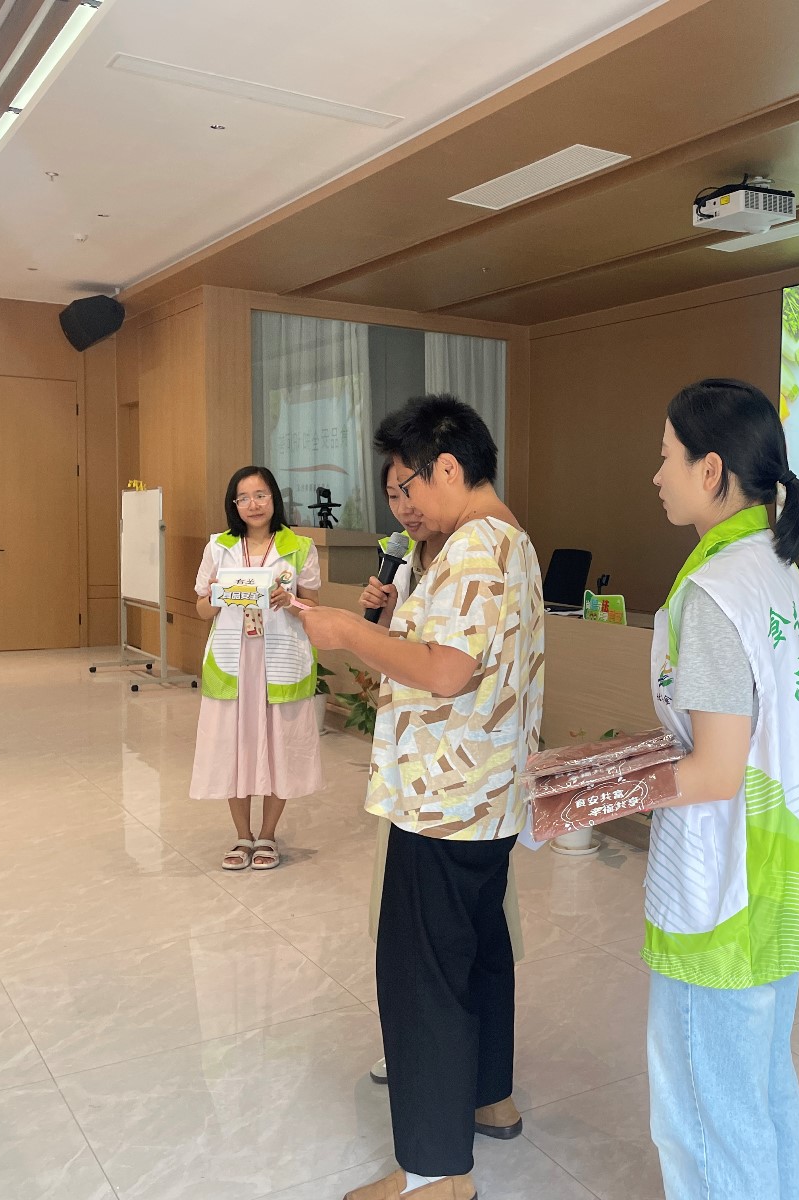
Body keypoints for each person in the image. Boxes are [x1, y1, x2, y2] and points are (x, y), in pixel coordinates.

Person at [299, 395, 543, 1200]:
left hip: (444, 799)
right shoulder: (510, 539)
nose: (405, 505)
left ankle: (435, 1172)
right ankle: (489, 1096)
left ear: (447, 466)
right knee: (479, 951)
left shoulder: (472, 548)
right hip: (487, 794)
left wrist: (347, 632)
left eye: (410, 486)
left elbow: (446, 670)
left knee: (424, 979)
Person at [643, 378, 799, 1200]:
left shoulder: (716, 592)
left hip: (721, 891)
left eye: (667, 457)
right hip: (778, 871)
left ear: (711, 470)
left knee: (707, 1115)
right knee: (760, 1094)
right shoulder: (777, 572)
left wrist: (602, 790)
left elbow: (715, 772)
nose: (657, 475)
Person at [189, 466, 324, 871]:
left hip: (279, 659)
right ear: (234, 505)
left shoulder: (299, 546)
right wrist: (219, 596)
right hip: (234, 661)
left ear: (274, 498)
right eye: (244, 498)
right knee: (234, 747)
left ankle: (267, 835)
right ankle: (241, 836)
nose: (253, 505)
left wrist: (290, 601)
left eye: (261, 495)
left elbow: (313, 606)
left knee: (280, 745)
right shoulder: (218, 547)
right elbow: (200, 608)